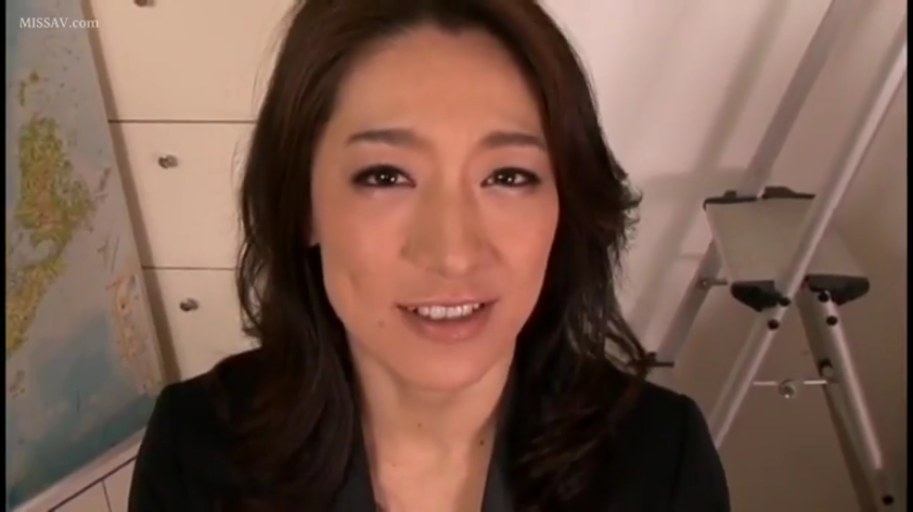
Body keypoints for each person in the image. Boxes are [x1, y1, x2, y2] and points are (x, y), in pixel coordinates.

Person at [128, 1, 730, 511]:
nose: (453, 254)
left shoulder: (660, 462)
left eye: (508, 176)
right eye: (386, 176)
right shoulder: (194, 455)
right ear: (303, 203)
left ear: (565, 205)